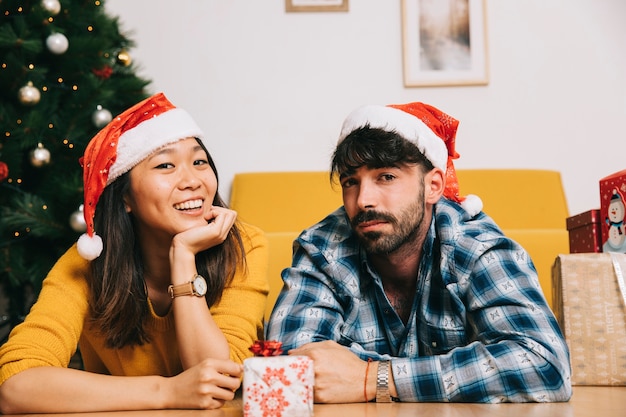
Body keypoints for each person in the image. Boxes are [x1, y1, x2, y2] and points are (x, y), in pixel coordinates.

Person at [266, 102, 572, 403]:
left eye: (386, 176)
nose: (363, 200)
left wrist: (370, 378)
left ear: (433, 186)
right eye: (351, 182)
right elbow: (288, 365)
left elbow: (544, 362)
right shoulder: (322, 248)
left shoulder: (476, 247)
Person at [0, 93, 269, 413]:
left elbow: (217, 381)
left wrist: (183, 257)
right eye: (166, 165)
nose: (192, 180)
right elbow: (16, 385)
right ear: (125, 198)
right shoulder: (86, 262)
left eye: (199, 161)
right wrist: (166, 391)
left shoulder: (245, 245)